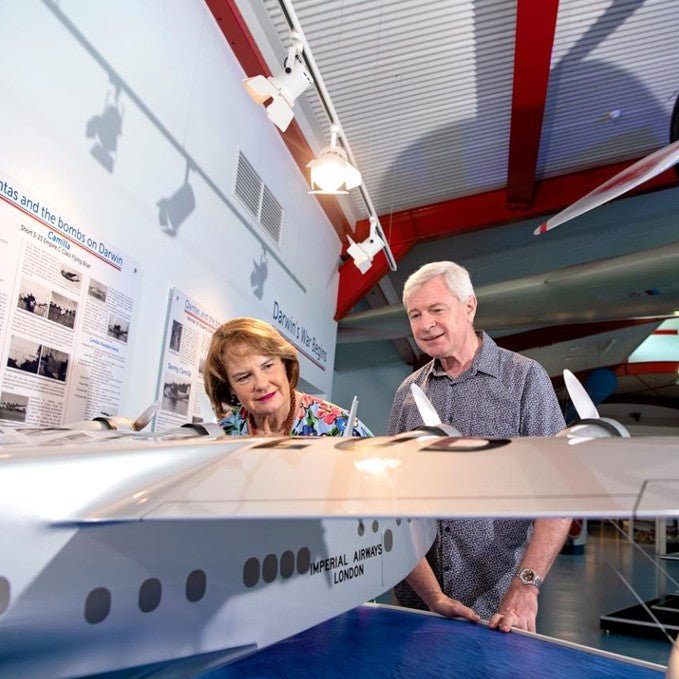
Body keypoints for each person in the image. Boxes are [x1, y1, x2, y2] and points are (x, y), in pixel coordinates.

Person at [389, 261, 570, 633]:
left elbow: (561, 490)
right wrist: (430, 595)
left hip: (500, 605)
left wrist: (526, 586)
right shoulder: (408, 393)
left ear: (469, 306)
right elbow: (393, 498)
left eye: (436, 309)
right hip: (419, 603)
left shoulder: (524, 378)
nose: (425, 324)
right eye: (415, 315)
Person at [204, 317, 372, 437]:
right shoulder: (222, 435)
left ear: (285, 363)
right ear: (229, 388)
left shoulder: (339, 426)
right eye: (244, 377)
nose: (262, 384)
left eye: (268, 366)